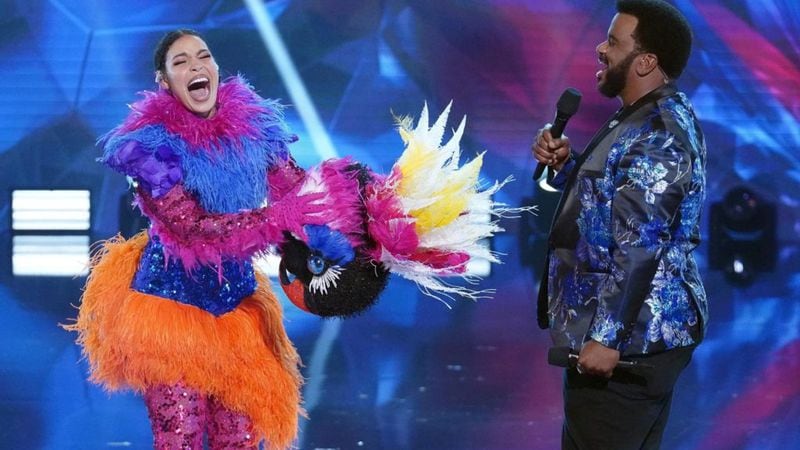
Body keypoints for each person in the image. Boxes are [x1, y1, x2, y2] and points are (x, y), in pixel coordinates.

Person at [65, 29, 328, 449]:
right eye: (181, 61)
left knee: (239, 440)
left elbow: (300, 192)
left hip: (237, 310)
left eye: (203, 56)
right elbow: (194, 228)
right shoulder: (150, 148)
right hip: (170, 312)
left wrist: (367, 212)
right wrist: (276, 219)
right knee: (180, 437)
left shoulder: (256, 130)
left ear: (217, 69)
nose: (195, 66)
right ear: (164, 80)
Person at [532, 1, 707, 449]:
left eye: (613, 41)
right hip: (631, 336)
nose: (600, 48)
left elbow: (640, 243)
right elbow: (620, 206)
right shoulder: (643, 117)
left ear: (646, 61)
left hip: (630, 343)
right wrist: (569, 164)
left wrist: (606, 338)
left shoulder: (659, 130)